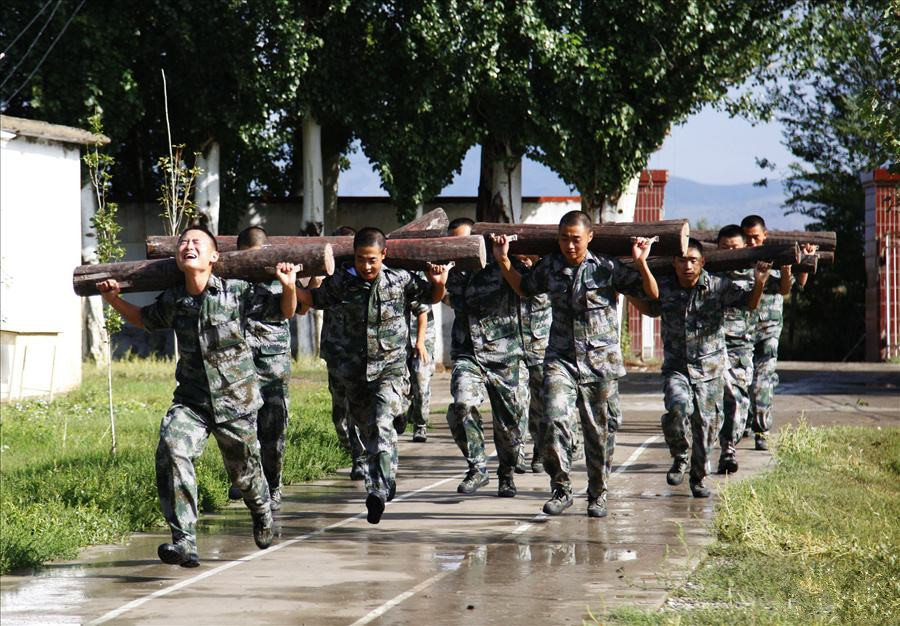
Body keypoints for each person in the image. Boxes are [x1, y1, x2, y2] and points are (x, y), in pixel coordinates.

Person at [97, 225, 298, 566]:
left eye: (197, 243)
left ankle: (262, 508)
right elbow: (145, 320)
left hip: (235, 401)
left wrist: (289, 287)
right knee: (173, 447)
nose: (188, 246)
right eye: (183, 242)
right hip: (192, 401)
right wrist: (113, 299)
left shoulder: (236, 291)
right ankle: (184, 540)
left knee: (245, 476)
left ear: (214, 256)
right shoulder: (176, 299)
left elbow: (284, 311)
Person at [492, 210, 659, 518]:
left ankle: (598, 493)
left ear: (589, 237)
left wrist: (640, 262)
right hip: (561, 360)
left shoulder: (606, 268)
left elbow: (651, 294)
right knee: (553, 420)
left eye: (576, 239)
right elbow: (524, 288)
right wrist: (503, 260)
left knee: (598, 433)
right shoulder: (551, 266)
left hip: (600, 364)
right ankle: (561, 487)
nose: (570, 245)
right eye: (564, 239)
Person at [295, 227, 448, 524]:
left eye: (373, 260)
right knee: (368, 433)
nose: (367, 266)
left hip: (389, 368)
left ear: (384, 256)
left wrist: (438, 283)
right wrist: (290, 285)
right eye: (362, 260)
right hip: (355, 372)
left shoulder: (399, 279)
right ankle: (384, 480)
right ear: (354, 257)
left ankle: (376, 489)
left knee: (382, 424)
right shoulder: (342, 281)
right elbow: (314, 299)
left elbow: (430, 297)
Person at [634, 238, 772, 497]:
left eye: (693, 260)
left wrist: (760, 282)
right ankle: (680, 455)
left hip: (709, 371)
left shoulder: (717, 286)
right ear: (674, 262)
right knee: (677, 409)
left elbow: (749, 304)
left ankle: (698, 477)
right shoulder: (666, 286)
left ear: (703, 262)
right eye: (682, 260)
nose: (687, 265)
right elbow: (650, 302)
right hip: (677, 368)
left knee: (706, 426)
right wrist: (632, 283)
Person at [444, 217, 529, 499]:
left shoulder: (502, 264)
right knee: (461, 404)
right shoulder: (451, 270)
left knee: (510, 426)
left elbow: (526, 288)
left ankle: (506, 473)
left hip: (504, 354)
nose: (461, 248)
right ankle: (477, 468)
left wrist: (505, 260)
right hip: (467, 353)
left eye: (465, 241)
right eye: (455, 243)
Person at [221, 226, 293, 510]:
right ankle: (247, 479)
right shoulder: (227, 282)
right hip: (236, 369)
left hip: (272, 369)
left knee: (273, 432)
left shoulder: (278, 277)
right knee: (240, 431)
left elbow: (290, 310)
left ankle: (273, 485)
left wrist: (288, 285)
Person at [714, 225, 791, 473]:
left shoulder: (756, 271)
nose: (730, 254)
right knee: (719, 398)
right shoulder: (707, 273)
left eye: (735, 249)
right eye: (724, 249)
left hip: (744, 342)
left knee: (748, 390)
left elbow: (781, 290)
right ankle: (715, 449)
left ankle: (748, 436)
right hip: (711, 345)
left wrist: (770, 277)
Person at [741, 215, 809, 451]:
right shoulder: (735, 258)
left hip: (768, 329)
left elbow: (786, 289)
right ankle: (744, 421)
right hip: (741, 333)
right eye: (747, 238)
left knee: (761, 381)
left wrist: (789, 268)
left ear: (765, 236)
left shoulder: (774, 257)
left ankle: (762, 430)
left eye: (755, 237)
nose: (751, 242)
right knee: (743, 380)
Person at [318, 226, 367, 480]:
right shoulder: (333, 275)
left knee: (358, 408)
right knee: (340, 413)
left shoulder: (366, 274)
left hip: (364, 354)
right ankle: (355, 451)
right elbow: (312, 295)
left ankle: (361, 458)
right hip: (336, 352)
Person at [514, 255, 552, 474]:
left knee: (540, 405)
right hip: (514, 348)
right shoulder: (509, 270)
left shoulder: (548, 271)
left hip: (541, 348)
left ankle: (539, 449)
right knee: (517, 403)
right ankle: (517, 452)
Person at [406, 298, 435, 442]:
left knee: (421, 380)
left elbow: (443, 295)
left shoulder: (426, 275)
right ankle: (402, 412)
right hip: (396, 336)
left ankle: (420, 424)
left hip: (425, 335)